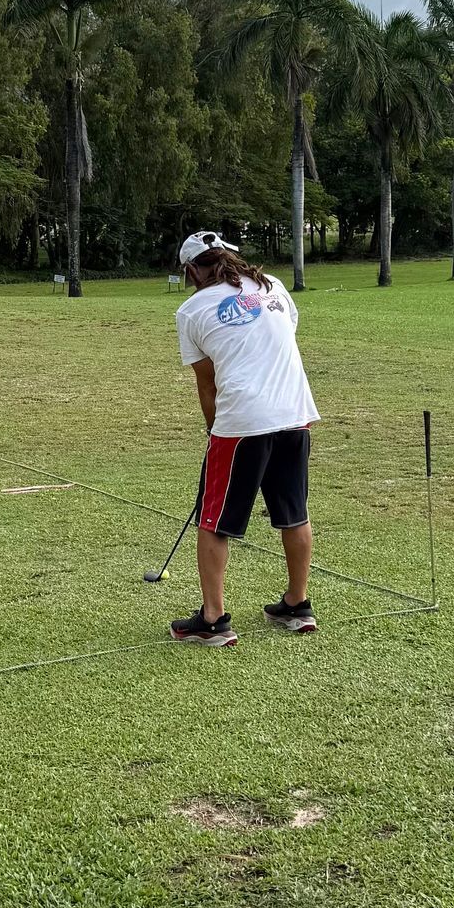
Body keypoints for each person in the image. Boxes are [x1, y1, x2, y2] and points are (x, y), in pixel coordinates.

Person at [169, 229, 321, 647]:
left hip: (242, 421)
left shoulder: (191, 310)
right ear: (230, 258)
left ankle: (213, 620)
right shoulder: (273, 286)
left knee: (214, 520)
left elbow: (208, 385)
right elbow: (279, 338)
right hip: (295, 413)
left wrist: (213, 432)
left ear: (191, 271)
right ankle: (296, 605)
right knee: (294, 511)